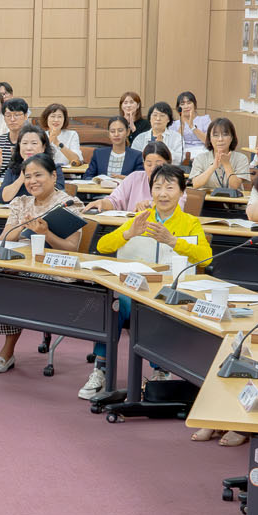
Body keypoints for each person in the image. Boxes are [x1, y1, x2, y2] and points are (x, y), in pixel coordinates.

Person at [86, 162, 211, 400]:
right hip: (135, 291)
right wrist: (129, 233)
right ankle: (101, 368)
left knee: (158, 309)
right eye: (157, 187)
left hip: (170, 293)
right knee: (113, 304)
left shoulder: (190, 222)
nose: (163, 194)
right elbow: (103, 246)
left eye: (170, 188)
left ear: (182, 192)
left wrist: (173, 241)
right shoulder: (141, 218)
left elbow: (206, 257)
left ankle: (161, 370)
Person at [0, 154, 87, 374]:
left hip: (51, 269)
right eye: (28, 176)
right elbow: (4, 238)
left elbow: (72, 248)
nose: (32, 181)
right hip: (19, 261)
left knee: (12, 282)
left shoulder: (67, 204)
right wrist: (23, 226)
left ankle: (7, 352)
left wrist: (46, 233)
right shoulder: (22, 202)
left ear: (53, 176)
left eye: (38, 175)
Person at [188, 117, 251, 196]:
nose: (220, 139)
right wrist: (213, 167)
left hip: (234, 202)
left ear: (232, 138)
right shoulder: (200, 158)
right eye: (215, 135)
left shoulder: (241, 158)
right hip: (207, 201)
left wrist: (226, 164)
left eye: (225, 135)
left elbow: (235, 186)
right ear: (210, 139)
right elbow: (196, 184)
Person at [0, 128, 58, 206]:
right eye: (24, 143)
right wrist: (22, 176)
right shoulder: (13, 169)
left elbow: (56, 197)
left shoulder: (54, 168)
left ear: (43, 147)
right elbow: (3, 198)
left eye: (34, 143)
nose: (28, 148)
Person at [86, 116, 145, 184]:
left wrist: (126, 179)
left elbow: (140, 180)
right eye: (112, 131)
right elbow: (87, 177)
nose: (116, 134)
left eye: (120, 130)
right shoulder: (99, 154)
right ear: (108, 134)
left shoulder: (137, 156)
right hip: (101, 190)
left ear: (128, 132)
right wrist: (98, 181)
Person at [0, 98, 31, 176]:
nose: (12, 119)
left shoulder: (32, 143)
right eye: (8, 115)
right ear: (4, 118)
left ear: (25, 116)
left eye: (16, 115)